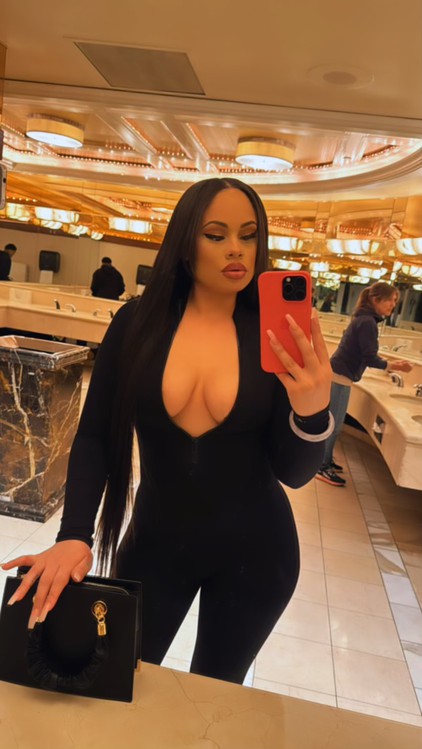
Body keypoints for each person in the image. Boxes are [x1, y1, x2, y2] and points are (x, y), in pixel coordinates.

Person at [2, 178, 333, 685]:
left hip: (258, 555)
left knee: (215, 695)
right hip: (156, 541)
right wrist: (74, 535)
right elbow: (95, 436)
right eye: (216, 235)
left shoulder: (274, 335)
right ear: (184, 242)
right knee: (119, 678)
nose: (236, 249)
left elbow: (295, 473)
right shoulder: (137, 323)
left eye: (248, 235)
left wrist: (311, 413)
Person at [316, 282, 413, 486]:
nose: (393, 305)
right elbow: (370, 357)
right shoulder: (368, 322)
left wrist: (390, 365)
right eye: (391, 300)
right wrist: (394, 366)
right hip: (340, 377)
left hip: (338, 374)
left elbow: (365, 354)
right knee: (333, 426)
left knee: (335, 424)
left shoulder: (364, 319)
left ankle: (326, 460)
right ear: (376, 300)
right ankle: (321, 466)